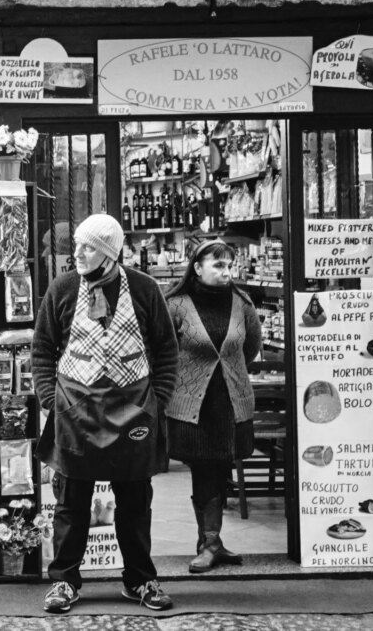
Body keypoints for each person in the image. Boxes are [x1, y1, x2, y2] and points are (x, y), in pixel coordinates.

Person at [32, 214, 178, 613]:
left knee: (134, 505)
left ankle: (141, 580)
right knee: (71, 505)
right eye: (78, 244)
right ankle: (64, 582)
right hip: (75, 412)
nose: (77, 252)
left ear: (111, 254)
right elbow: (43, 350)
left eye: (89, 246)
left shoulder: (145, 290)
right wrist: (51, 400)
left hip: (133, 413)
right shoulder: (62, 289)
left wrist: (157, 401)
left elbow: (166, 349)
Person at [165, 239, 261, 573]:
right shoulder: (176, 304)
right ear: (198, 267)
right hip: (194, 404)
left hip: (231, 401)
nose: (226, 272)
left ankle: (212, 542)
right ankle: (208, 543)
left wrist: (228, 372)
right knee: (204, 469)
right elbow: (163, 353)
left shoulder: (242, 303)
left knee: (221, 469)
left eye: (229, 265)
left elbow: (250, 348)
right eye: (218, 265)